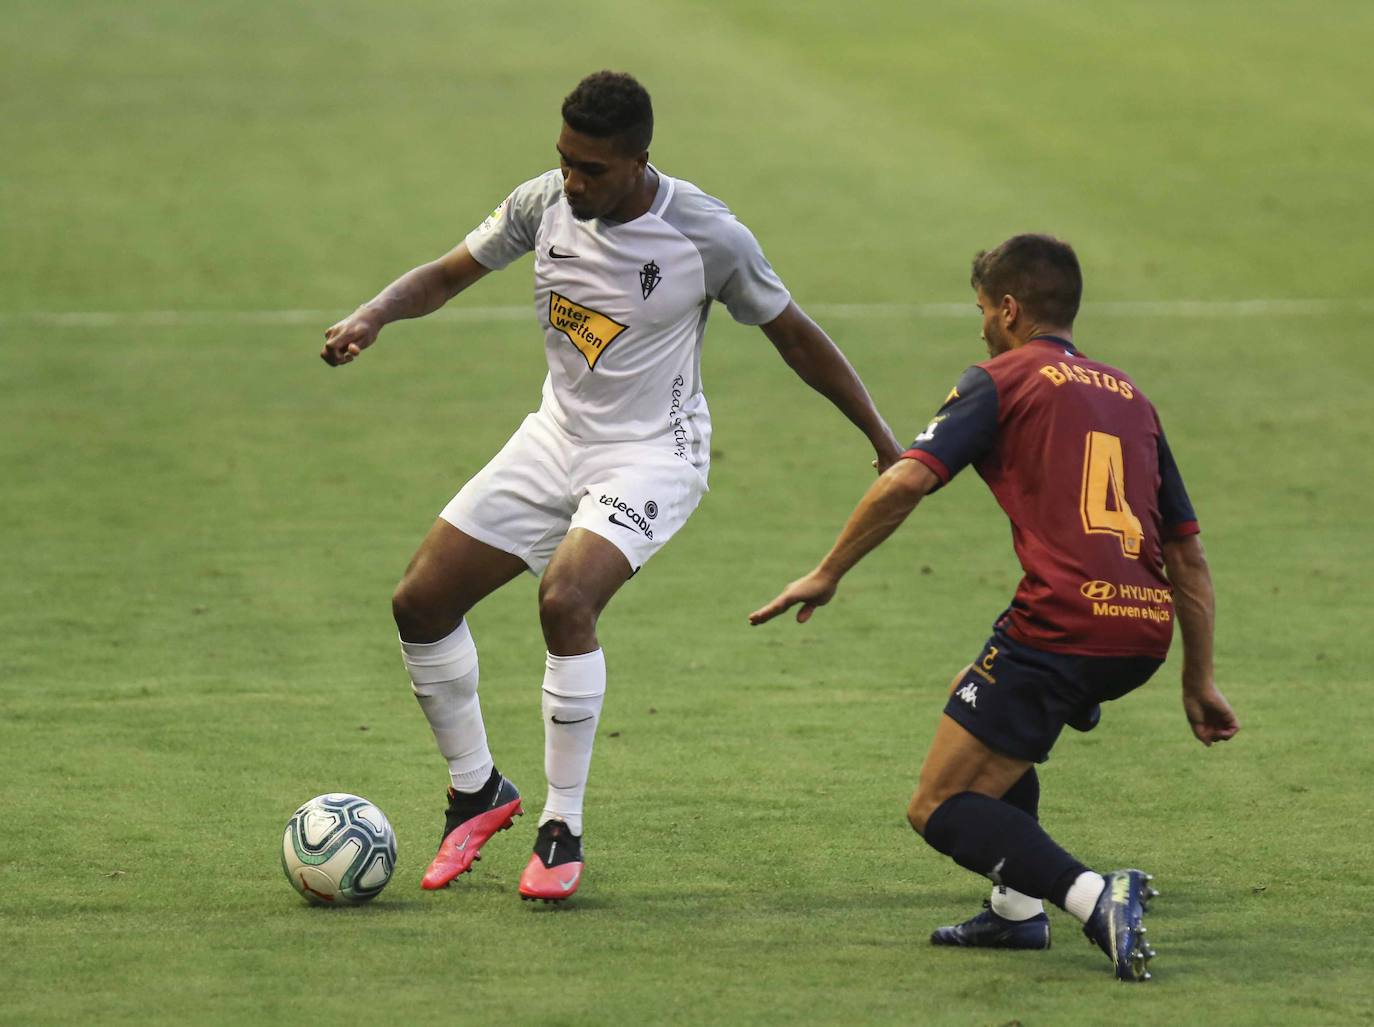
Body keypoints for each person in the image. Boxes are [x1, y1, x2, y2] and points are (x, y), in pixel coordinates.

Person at [321, 71, 902, 902]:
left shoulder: (707, 236)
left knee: (566, 600)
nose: (572, 180)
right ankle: (477, 789)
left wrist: (882, 439)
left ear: (638, 162)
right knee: (420, 600)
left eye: (590, 168)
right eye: (563, 160)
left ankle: (562, 825)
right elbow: (447, 273)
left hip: (652, 454)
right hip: (555, 438)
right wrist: (375, 313)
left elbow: (796, 337)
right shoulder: (541, 204)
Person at [749, 234, 1239, 980]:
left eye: (982, 309)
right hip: (1142, 631)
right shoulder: (1134, 398)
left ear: (1009, 309)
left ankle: (1093, 895)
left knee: (938, 804)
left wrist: (828, 570)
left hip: (1063, 623)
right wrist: (1197, 680)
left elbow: (908, 480)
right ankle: (1016, 910)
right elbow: (1188, 557)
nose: (979, 324)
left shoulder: (1004, 377)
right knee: (973, 696)